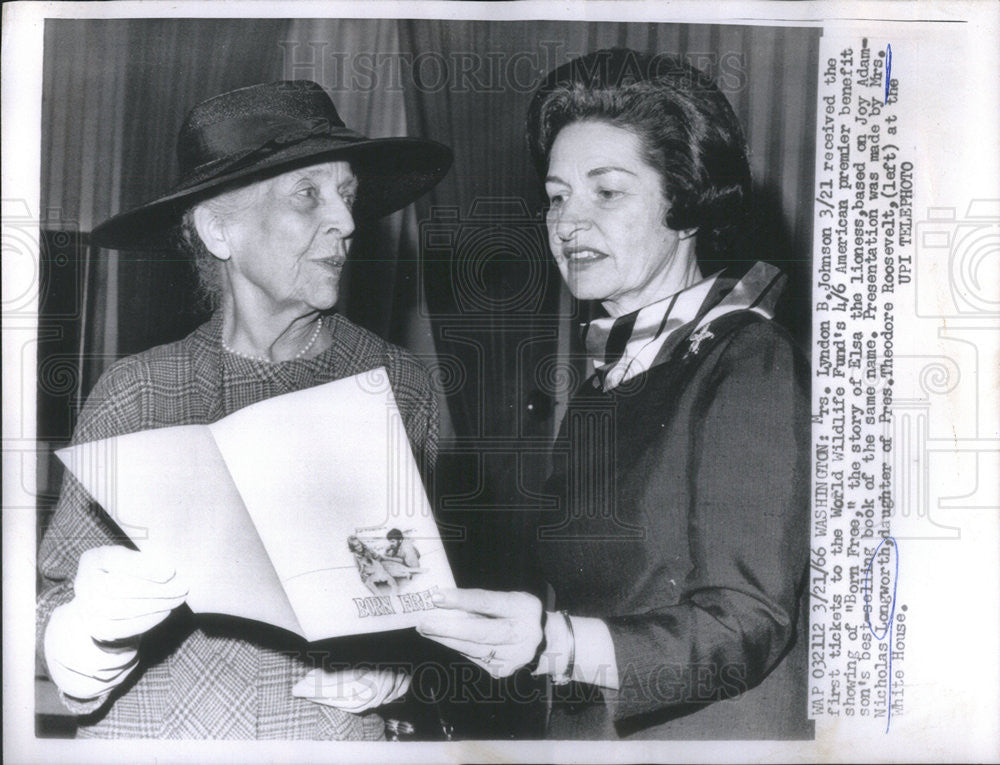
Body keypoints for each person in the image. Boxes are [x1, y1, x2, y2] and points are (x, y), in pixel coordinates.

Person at [37, 80, 451, 739]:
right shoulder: (135, 392)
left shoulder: (400, 387)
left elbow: (443, 607)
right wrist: (79, 634)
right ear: (219, 228)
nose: (346, 221)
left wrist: (406, 663)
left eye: (346, 195)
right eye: (308, 194)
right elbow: (47, 607)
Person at [417, 49, 811, 739]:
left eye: (607, 191)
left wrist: (557, 643)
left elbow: (746, 620)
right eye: (557, 196)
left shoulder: (750, 361)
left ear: (686, 202)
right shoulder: (609, 380)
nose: (567, 223)